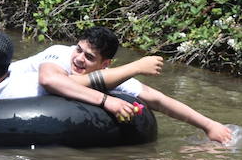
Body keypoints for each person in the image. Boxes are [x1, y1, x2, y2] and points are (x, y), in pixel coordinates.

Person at [36, 26, 235, 143]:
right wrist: (107, 101)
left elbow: (158, 100)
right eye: (78, 50)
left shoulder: (109, 76)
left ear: (105, 64)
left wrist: (209, 126)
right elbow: (50, 80)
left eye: (89, 57)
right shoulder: (60, 53)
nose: (78, 59)